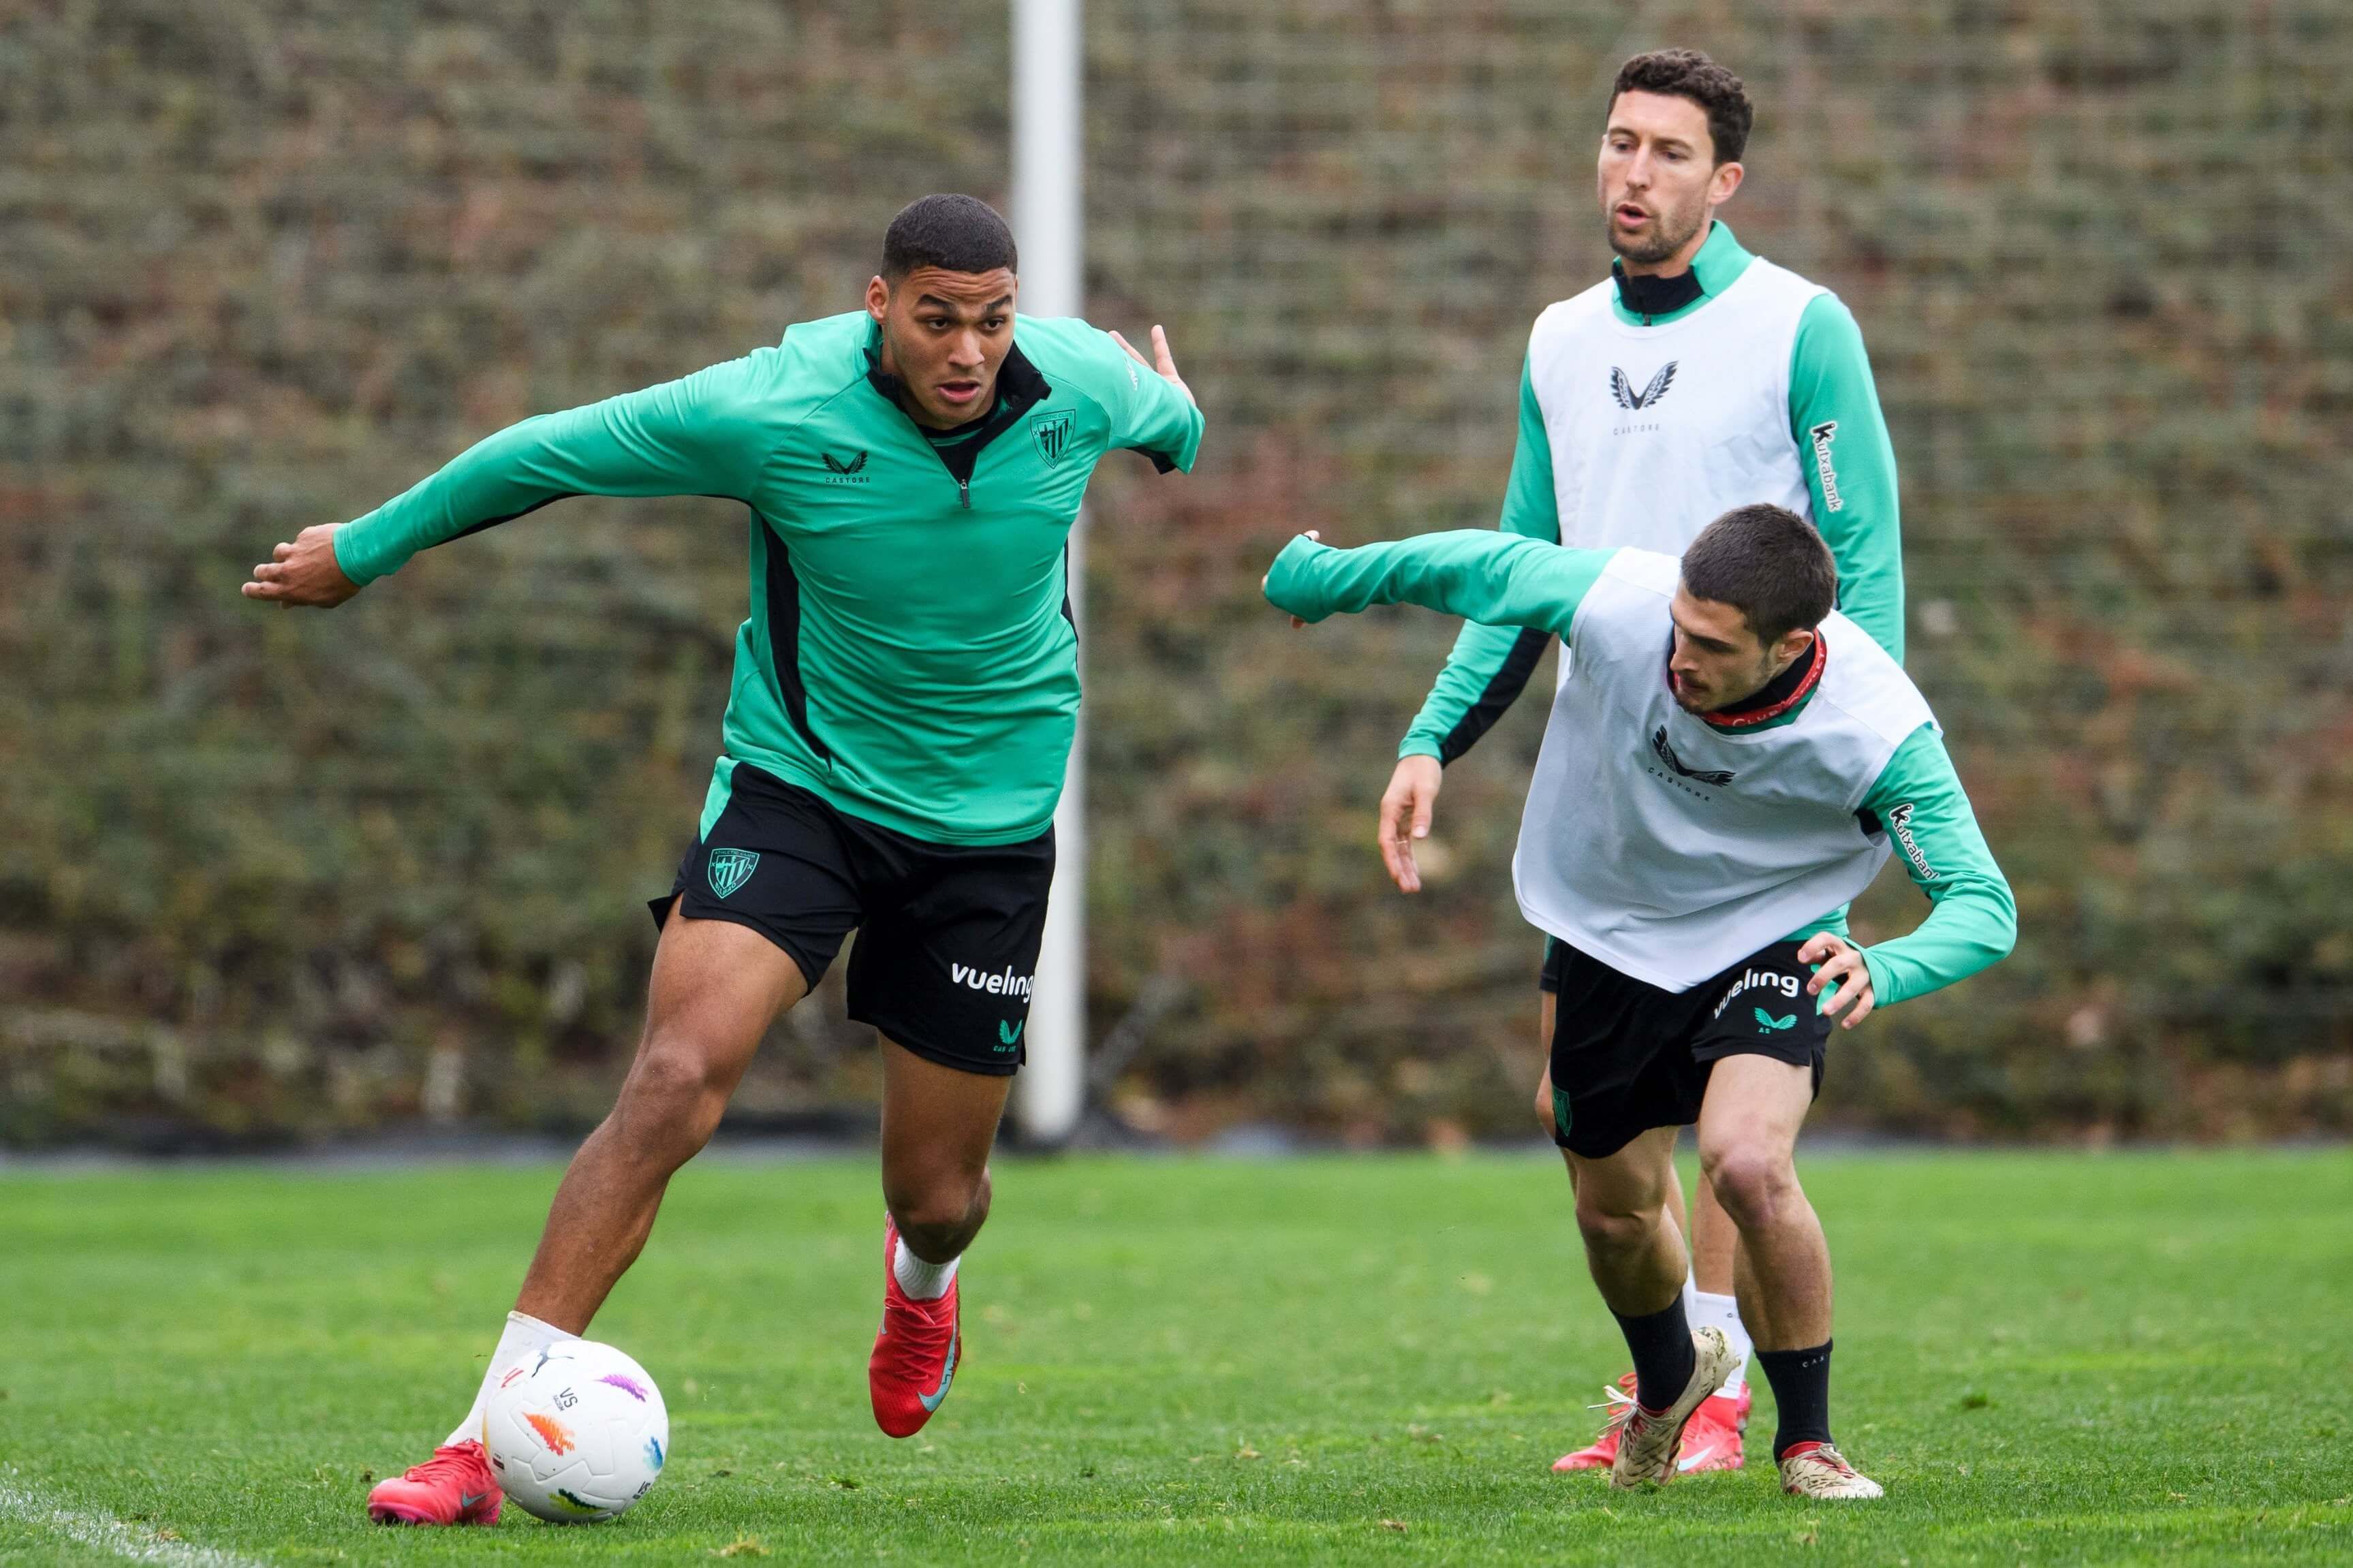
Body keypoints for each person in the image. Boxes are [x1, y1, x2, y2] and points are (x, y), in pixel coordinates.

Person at [243, 193, 1203, 1526]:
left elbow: (1178, 422)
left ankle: (921, 1285)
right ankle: (477, 1437)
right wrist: (362, 548)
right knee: (675, 1077)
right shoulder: (777, 405)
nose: (968, 348)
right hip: (796, 790)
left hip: (984, 831)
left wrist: (1176, 408)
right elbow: (549, 452)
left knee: (938, 1192)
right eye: (936, 318)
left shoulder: (1079, 381)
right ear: (880, 306)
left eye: (990, 319)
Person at [1373, 48, 1906, 1473]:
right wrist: (1435, 734)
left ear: (1723, 180)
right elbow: (1520, 572)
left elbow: (1863, 573)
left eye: (1669, 152)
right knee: (1604, 1150)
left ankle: (1739, 1403)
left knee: (1739, 1123)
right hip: (1611, 810)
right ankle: (1673, 1380)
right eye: (1617, 143)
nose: (1632, 172)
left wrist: (1853, 772)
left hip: (1768, 800)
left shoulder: (1802, 327)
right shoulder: (1556, 340)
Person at [1265, 506, 2015, 1499]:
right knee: (1612, 1216)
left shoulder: (1874, 730)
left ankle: (1808, 1442)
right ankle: (1668, 1386)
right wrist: (1320, 578)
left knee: (1747, 1162)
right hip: (1612, 929)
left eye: (1710, 645)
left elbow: (1982, 904)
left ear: (1791, 646)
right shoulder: (1625, 607)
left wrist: (1890, 965)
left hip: (1772, 933)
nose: (1678, 655)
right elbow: (1477, 568)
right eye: (1678, 625)